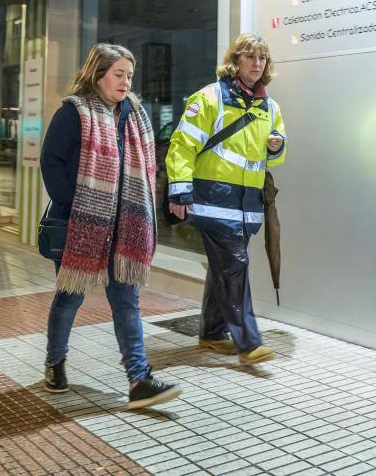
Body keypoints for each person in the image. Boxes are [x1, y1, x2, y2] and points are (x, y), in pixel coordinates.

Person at [40, 43, 181, 409]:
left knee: (127, 301)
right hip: (84, 222)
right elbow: (51, 162)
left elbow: (147, 167)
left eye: (129, 75)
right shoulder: (74, 113)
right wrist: (76, 208)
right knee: (70, 296)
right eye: (118, 74)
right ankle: (55, 362)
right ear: (97, 73)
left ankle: (139, 379)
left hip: (124, 225)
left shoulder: (134, 114)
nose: (125, 81)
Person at [165, 33, 287, 365]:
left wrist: (275, 146)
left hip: (248, 204)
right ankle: (248, 342)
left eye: (262, 58)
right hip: (213, 201)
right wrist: (179, 189)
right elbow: (181, 145)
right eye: (249, 56)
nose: (256, 63)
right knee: (235, 265)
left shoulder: (269, 107)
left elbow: (271, 159)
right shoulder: (208, 98)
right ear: (234, 61)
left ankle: (212, 333)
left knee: (225, 268)